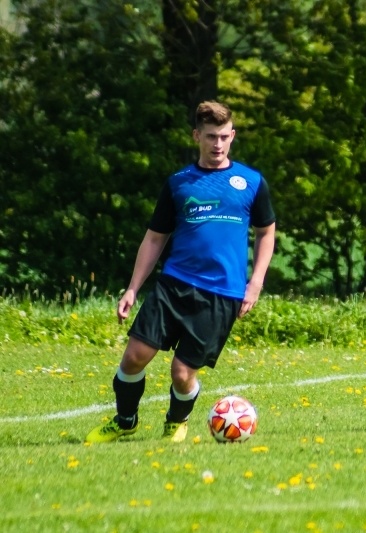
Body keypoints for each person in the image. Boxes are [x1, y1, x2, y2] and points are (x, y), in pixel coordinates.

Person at [86, 101, 276, 443]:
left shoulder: (251, 182)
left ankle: (176, 422)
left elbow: (267, 232)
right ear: (196, 136)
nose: (217, 144)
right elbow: (155, 238)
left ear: (232, 136)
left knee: (181, 372)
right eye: (209, 137)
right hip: (174, 284)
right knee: (133, 358)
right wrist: (132, 288)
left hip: (221, 293)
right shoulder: (178, 184)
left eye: (223, 137)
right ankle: (125, 420)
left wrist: (256, 281)